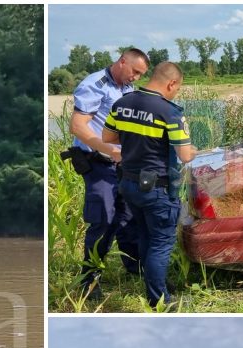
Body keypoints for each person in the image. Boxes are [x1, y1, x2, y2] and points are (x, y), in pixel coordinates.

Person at [102, 61, 196, 308]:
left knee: (145, 234)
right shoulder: (170, 112)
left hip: (129, 183)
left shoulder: (122, 103)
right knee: (161, 243)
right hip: (157, 189)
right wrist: (192, 150)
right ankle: (159, 301)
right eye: (177, 88)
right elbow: (185, 155)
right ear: (171, 83)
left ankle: (154, 284)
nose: (176, 93)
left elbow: (108, 137)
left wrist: (136, 141)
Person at [67, 48, 150, 298]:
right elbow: (77, 126)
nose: (136, 77)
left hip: (124, 164)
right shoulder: (95, 85)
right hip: (99, 163)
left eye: (141, 74)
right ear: (122, 62)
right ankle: (88, 280)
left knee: (127, 216)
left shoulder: (128, 89)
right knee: (103, 218)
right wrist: (110, 150)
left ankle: (135, 267)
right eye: (134, 71)